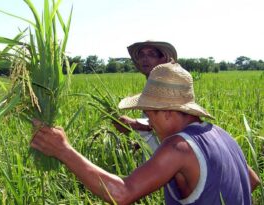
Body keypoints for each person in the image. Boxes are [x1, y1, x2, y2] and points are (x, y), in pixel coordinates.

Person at [31, 62, 260, 205]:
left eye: (149, 115)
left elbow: (121, 194)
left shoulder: (178, 147)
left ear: (168, 113)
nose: (148, 122)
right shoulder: (220, 133)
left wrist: (64, 151)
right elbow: (252, 181)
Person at [114, 41, 178, 154]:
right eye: (141, 55)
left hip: (168, 162)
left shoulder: (169, 85)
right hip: (155, 158)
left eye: (151, 54)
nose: (145, 58)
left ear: (162, 59)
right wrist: (138, 145)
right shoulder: (151, 86)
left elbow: (172, 123)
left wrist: (133, 124)